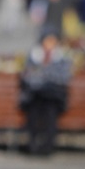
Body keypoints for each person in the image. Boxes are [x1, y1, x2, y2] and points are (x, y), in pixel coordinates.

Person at [19, 26, 72, 156]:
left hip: (54, 96)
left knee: (50, 113)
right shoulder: (34, 55)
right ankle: (33, 145)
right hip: (35, 94)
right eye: (47, 41)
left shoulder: (62, 57)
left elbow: (63, 77)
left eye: (52, 41)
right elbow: (27, 75)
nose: (49, 44)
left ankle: (48, 146)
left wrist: (43, 74)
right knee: (33, 112)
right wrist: (43, 76)